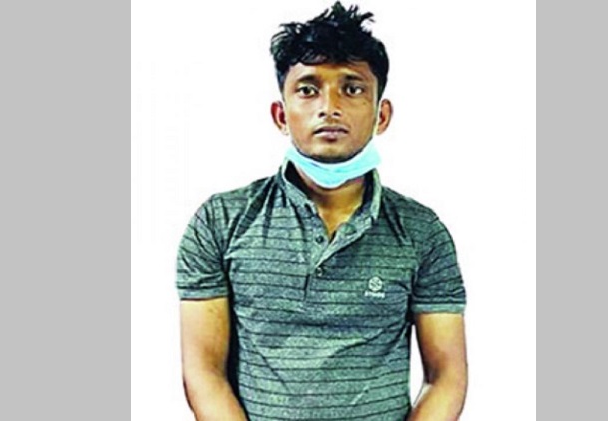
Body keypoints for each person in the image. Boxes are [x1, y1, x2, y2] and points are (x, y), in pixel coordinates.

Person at [176, 2, 468, 420]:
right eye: (308, 89)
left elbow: (446, 375)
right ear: (281, 115)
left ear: (381, 114)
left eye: (352, 89)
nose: (329, 107)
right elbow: (203, 371)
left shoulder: (422, 232)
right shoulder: (220, 222)